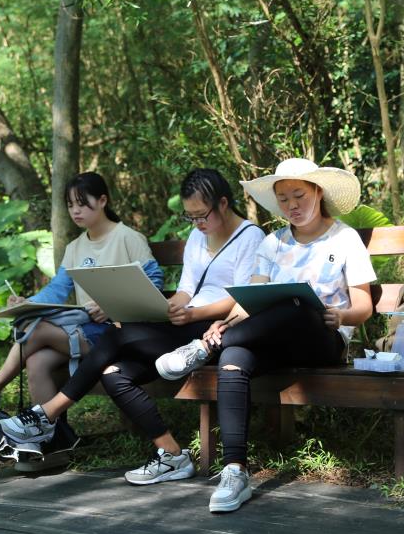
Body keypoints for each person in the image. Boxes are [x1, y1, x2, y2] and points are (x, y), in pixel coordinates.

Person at [0, 169, 265, 485]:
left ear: (223, 203)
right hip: (186, 323)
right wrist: (168, 306)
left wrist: (192, 314)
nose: (197, 223)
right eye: (190, 217)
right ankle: (172, 455)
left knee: (117, 334)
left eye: (202, 215)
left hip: (214, 330)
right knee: (114, 372)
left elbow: (239, 298)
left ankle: (48, 413)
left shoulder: (251, 237)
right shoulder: (198, 236)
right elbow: (187, 288)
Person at [156, 158, 376, 513]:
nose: (292, 205)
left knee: (297, 303)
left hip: (322, 337)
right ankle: (235, 470)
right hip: (273, 339)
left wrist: (342, 315)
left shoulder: (345, 237)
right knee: (234, 358)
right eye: (283, 199)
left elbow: (364, 305)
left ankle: (203, 348)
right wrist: (226, 323)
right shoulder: (273, 242)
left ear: (318, 192)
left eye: (299, 196)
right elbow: (251, 301)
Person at [0, 172, 163, 421]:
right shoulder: (75, 247)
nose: (75, 211)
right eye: (70, 205)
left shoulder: (128, 238)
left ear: (103, 200)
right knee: (37, 362)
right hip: (88, 331)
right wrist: (28, 303)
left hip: (121, 334)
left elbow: (154, 283)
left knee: (36, 330)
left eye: (82, 203)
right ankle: (49, 438)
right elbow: (57, 289)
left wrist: (112, 306)